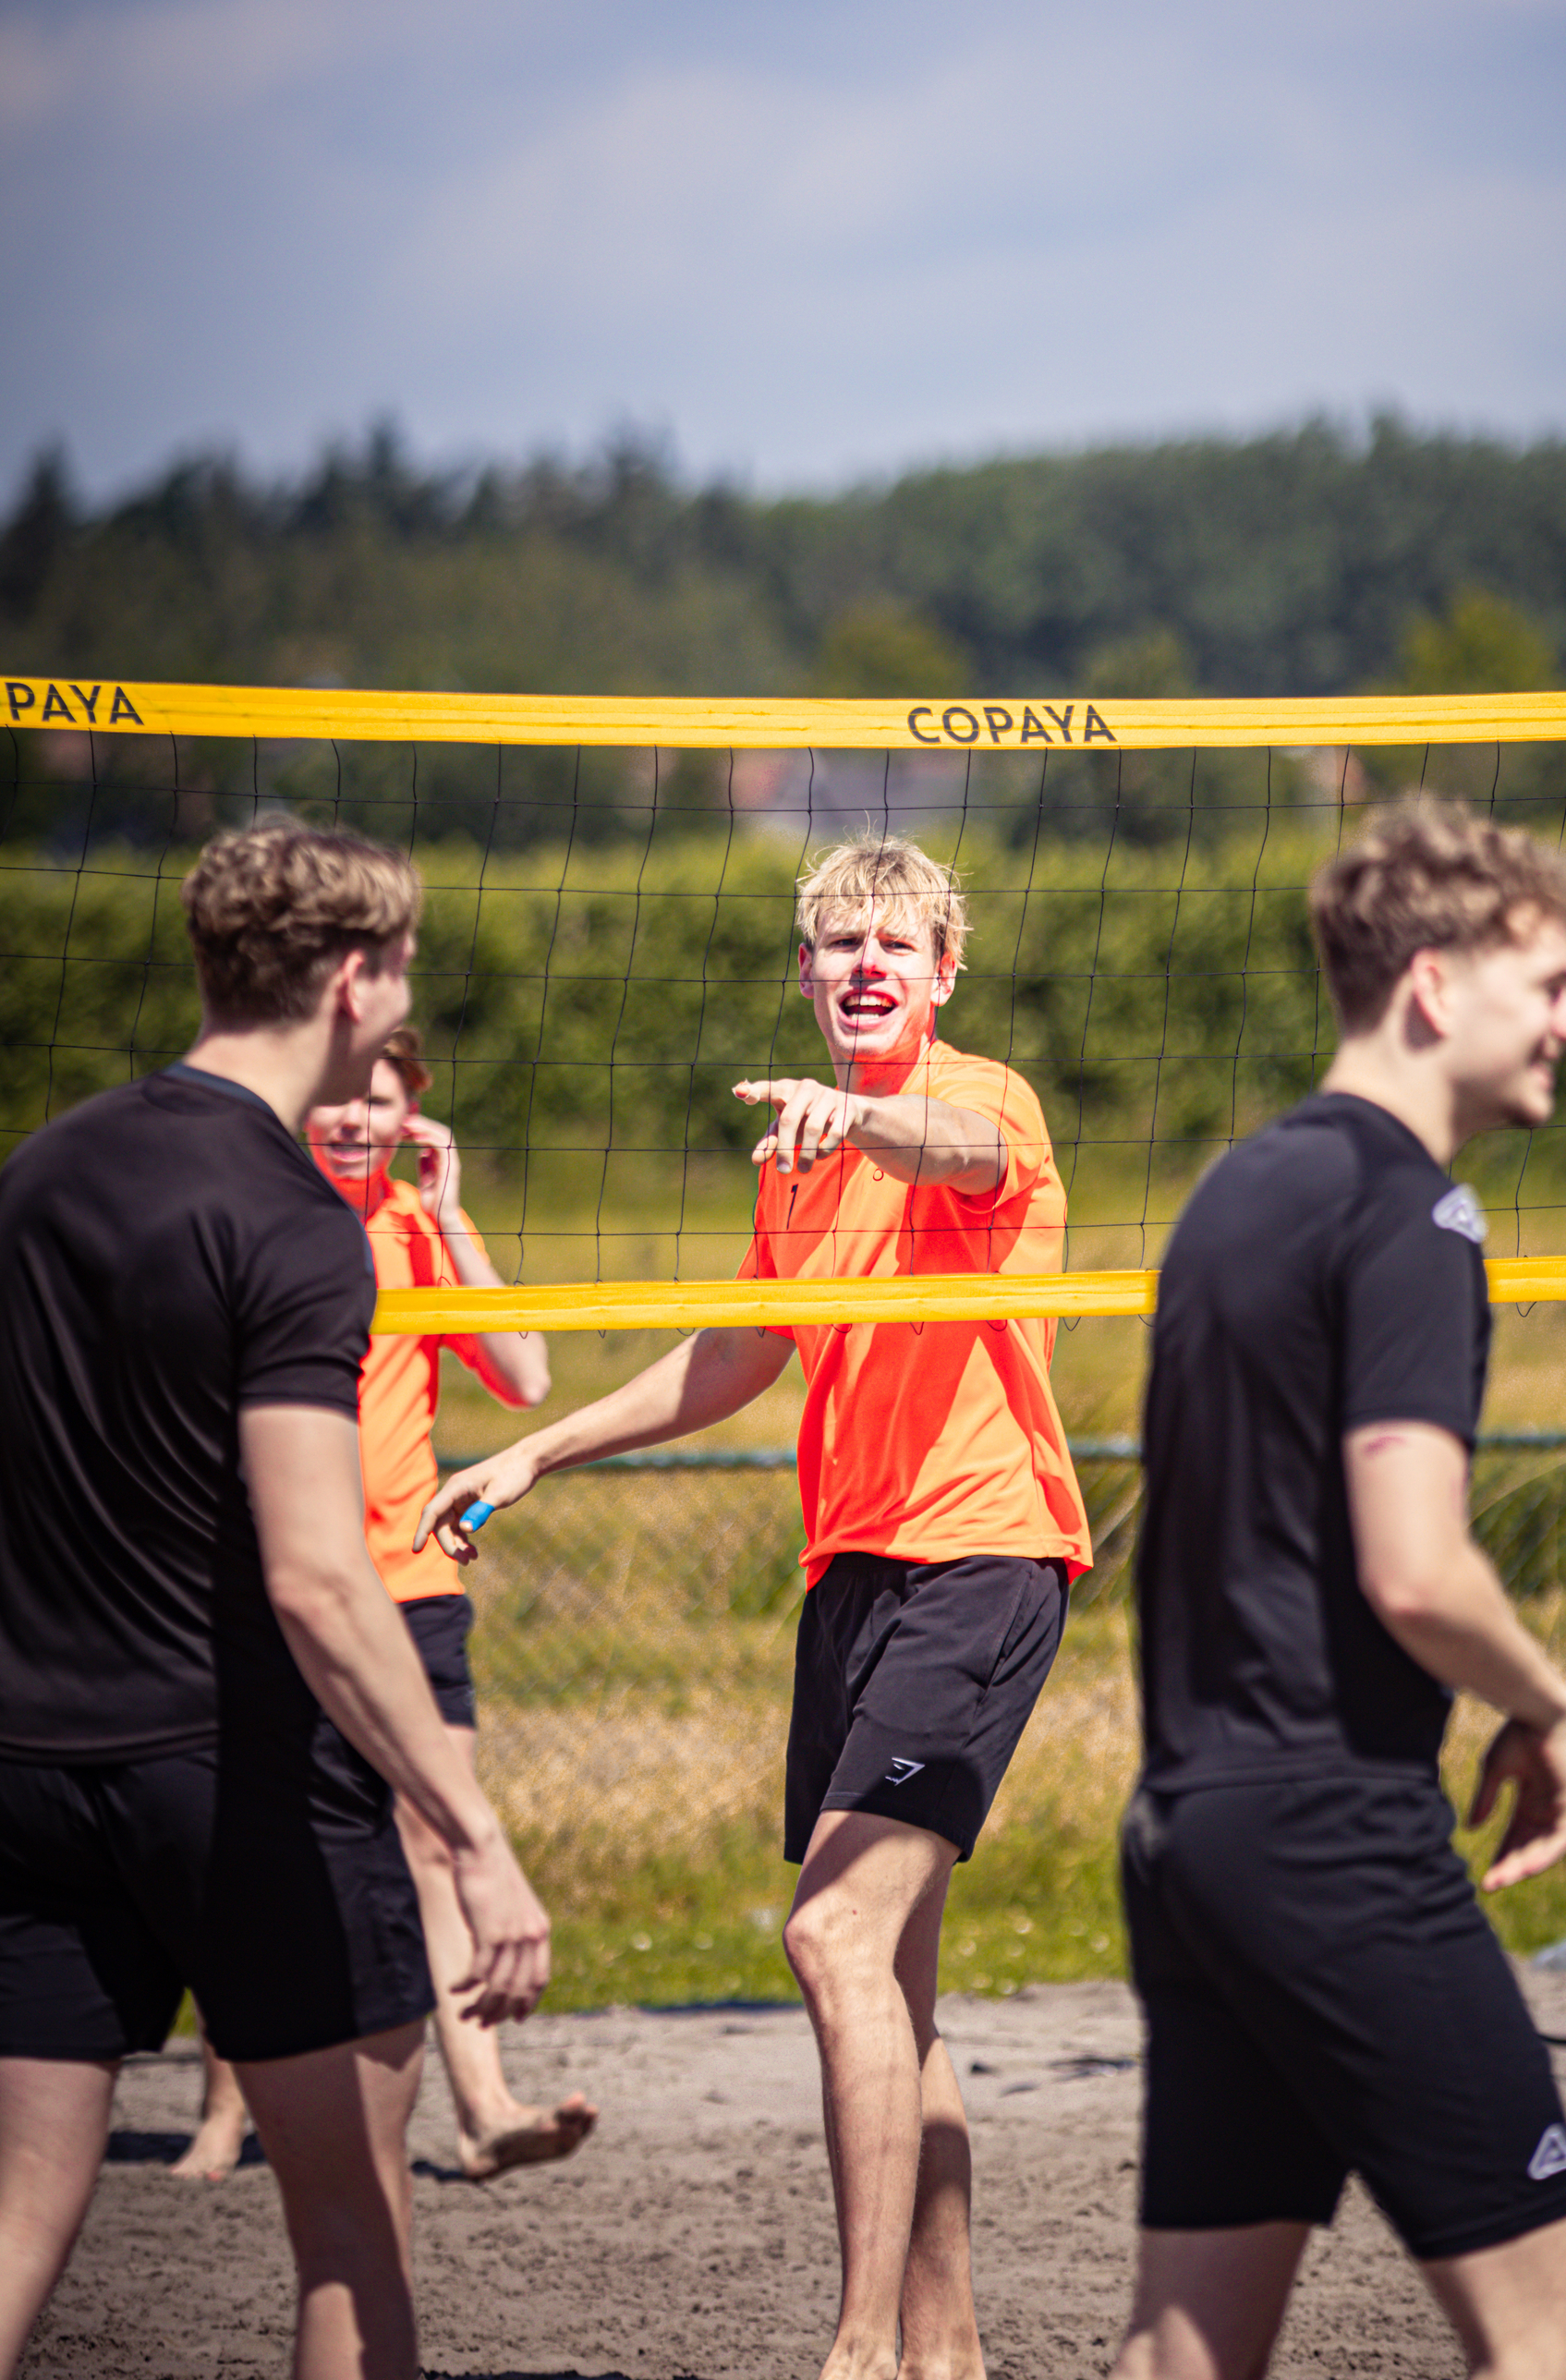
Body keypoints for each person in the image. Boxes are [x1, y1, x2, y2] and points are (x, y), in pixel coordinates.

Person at [421, 833, 1094, 2380]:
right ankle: (946, 2354)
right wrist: (534, 1450)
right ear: (804, 973)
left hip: (984, 1558)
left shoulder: (983, 1099)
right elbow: (738, 1352)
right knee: (892, 1986)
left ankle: (857, 2352)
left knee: (829, 1935)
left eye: (897, 944)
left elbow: (954, 1151)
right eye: (841, 943)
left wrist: (864, 1116)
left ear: (943, 972)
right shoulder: (796, 1159)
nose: (868, 964)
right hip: (852, 1574)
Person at [0, 819, 550, 2380]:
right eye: (407, 970)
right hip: (236, 1771)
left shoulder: (44, 1169)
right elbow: (315, 1574)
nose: (406, 1000)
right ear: (354, 979)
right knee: (353, 2238)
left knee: (18, 2212)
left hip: (29, 1770)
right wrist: (473, 1831)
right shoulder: (296, 1222)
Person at [1111, 796, 1566, 2380]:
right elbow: (1416, 1568)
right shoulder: (1412, 1209)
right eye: (1550, 985)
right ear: (1432, 986)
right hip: (1332, 1832)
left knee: (1186, 2354)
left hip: (1192, 1831)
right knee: (1564, 2341)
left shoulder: (1233, 1191)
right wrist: (1547, 1699)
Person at [176, 1024, 597, 2186]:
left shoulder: (417, 1229)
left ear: (412, 1117)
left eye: (382, 1101)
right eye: (340, 1098)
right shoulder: (250, 1215)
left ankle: (483, 2109)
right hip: (268, 1584)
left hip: (406, 1579)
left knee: (435, 1830)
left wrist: (451, 1214)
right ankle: (222, 2113)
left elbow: (526, 1377)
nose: (357, 1120)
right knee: (248, 1843)